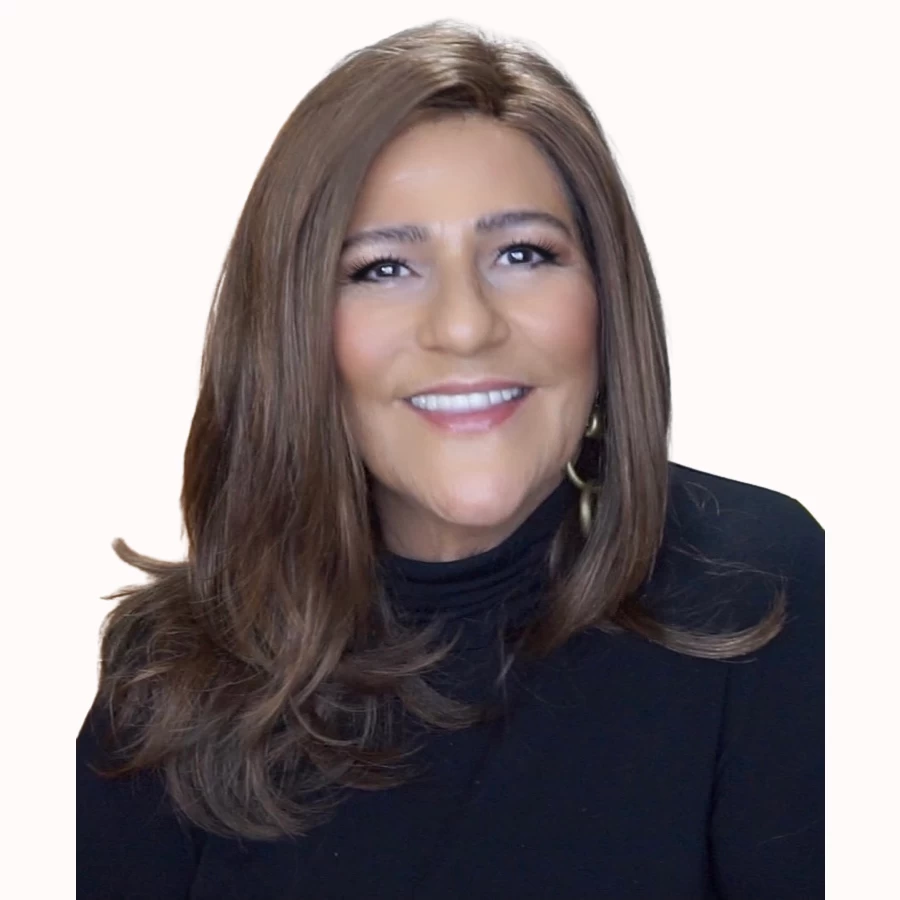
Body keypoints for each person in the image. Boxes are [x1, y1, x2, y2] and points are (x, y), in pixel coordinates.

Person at [76, 19, 824, 900]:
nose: (465, 325)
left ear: (606, 299)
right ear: (292, 328)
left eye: (522, 254)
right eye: (383, 268)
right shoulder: (172, 670)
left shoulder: (758, 588)